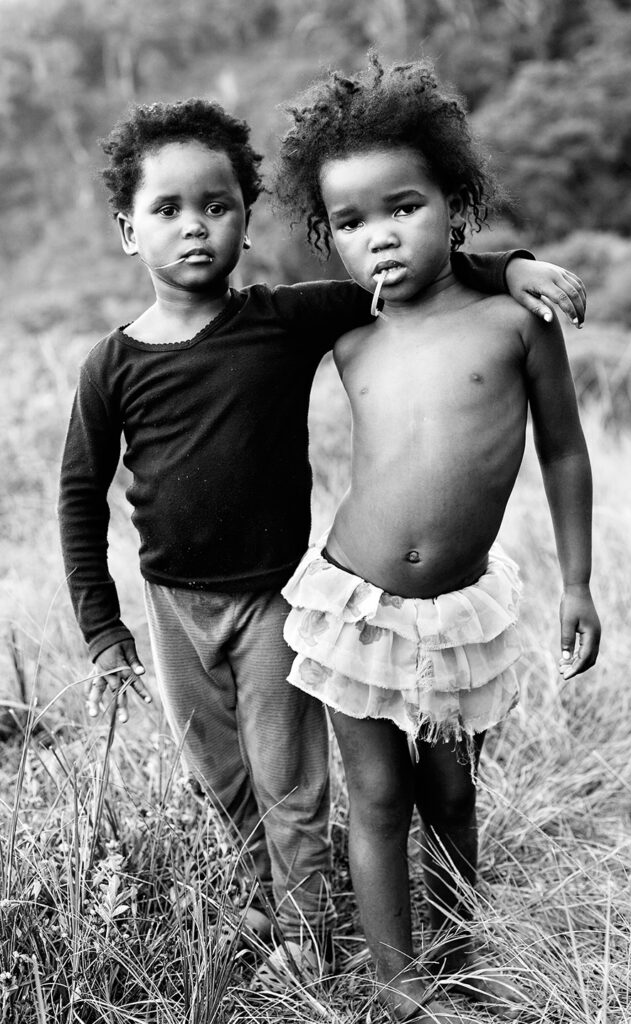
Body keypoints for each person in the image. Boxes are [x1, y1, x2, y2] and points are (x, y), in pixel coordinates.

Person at [58, 97, 588, 966]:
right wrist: (98, 621)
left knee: (344, 785)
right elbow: (79, 492)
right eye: (167, 210)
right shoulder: (123, 362)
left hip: (291, 596)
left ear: (247, 220)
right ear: (128, 230)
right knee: (234, 776)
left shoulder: (287, 317)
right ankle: (288, 910)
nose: (194, 228)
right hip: (208, 601)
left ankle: (324, 937)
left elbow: (433, 278)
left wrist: (513, 267)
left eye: (217, 206)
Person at [274, 55, 601, 1019]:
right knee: (375, 798)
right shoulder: (343, 333)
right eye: (350, 221)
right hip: (354, 605)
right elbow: (229, 329)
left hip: (460, 614)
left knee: (450, 795)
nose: (379, 236)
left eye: (402, 206)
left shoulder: (514, 320)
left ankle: (459, 954)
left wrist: (576, 584)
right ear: (327, 237)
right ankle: (399, 982)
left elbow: (567, 454)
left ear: (453, 203)